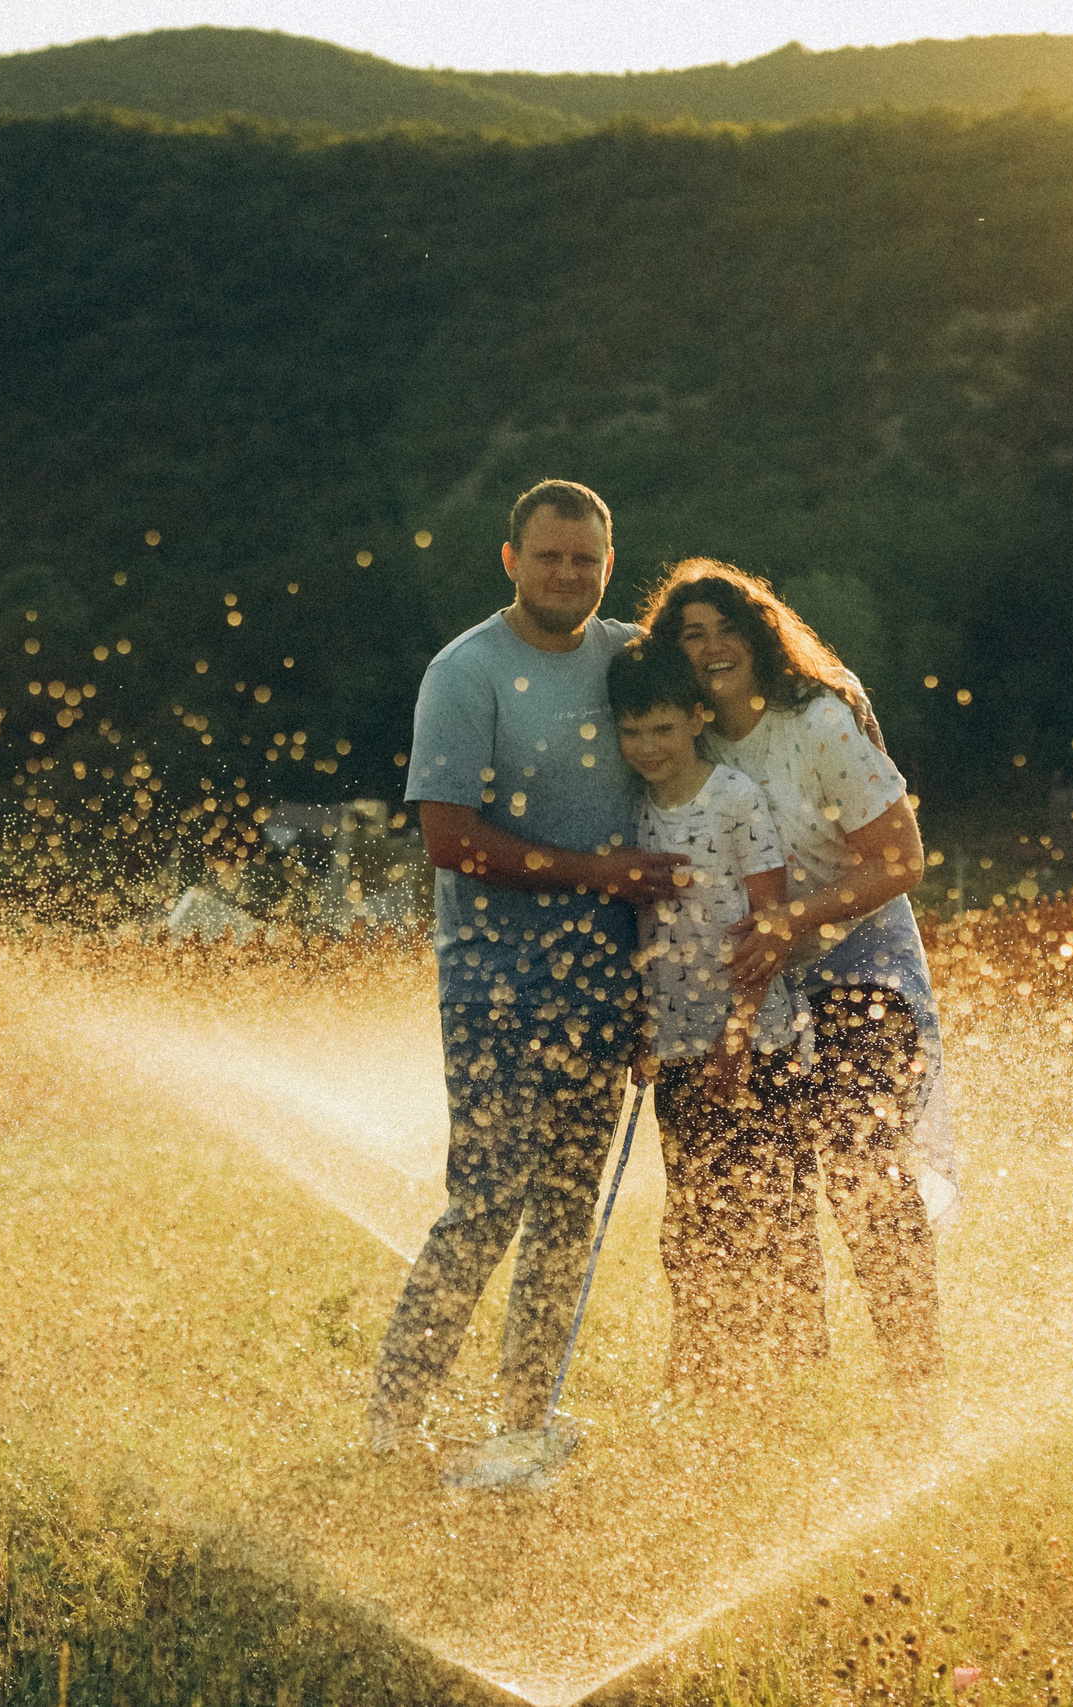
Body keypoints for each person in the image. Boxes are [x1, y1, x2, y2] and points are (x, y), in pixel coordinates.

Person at [367, 479, 687, 1451]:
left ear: (608, 564)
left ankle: (524, 1416)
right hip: (496, 989)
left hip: (605, 992)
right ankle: (394, 1416)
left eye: (584, 559)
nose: (566, 573)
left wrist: (651, 991)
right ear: (512, 561)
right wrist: (603, 876)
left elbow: (665, 816)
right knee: (487, 1204)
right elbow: (449, 839)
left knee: (564, 1216)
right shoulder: (466, 674)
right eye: (548, 556)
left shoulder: (637, 661)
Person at [640, 557, 952, 1386]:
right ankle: (784, 1375)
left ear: (760, 636)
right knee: (758, 1179)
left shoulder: (815, 722)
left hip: (860, 958)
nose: (710, 648)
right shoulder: (690, 739)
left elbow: (903, 860)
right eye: (690, 635)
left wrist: (795, 919)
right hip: (760, 981)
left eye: (725, 629)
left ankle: (916, 1373)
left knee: (858, 1154)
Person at [606, 641, 809, 1396]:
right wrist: (642, 1029)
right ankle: (698, 1363)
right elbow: (641, 934)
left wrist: (738, 1040)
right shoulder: (632, 808)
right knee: (692, 1215)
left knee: (768, 1208)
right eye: (632, 732)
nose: (647, 747)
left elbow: (768, 923)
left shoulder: (734, 798)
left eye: (661, 728)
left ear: (696, 717)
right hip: (679, 1045)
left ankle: (782, 1372)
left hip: (754, 1043)